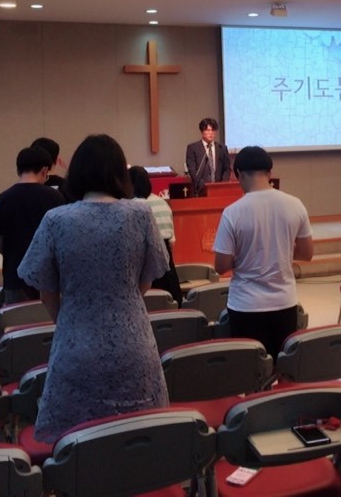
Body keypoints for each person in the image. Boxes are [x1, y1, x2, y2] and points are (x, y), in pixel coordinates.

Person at [18, 134, 170, 443]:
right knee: (138, 440)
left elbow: (45, 290)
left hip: (76, 343)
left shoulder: (56, 220)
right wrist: (123, 302)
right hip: (133, 340)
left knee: (75, 444)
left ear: (77, 171)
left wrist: (69, 319)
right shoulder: (141, 215)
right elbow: (148, 279)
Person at [212, 146, 312, 358]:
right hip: (284, 302)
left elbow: (220, 266)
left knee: (251, 368)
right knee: (283, 366)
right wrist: (280, 249)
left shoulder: (232, 212)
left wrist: (244, 256)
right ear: (269, 172)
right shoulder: (295, 205)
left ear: (239, 174)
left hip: (246, 305)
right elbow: (306, 253)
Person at [0, 146, 65, 304]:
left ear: (18, 170)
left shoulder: (1, 200)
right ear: (44, 170)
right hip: (49, 277)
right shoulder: (55, 197)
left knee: (19, 318)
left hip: (15, 277)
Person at [128, 165, 183, 303]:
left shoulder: (129, 207)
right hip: (167, 272)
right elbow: (172, 243)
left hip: (141, 273)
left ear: (130, 184)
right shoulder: (163, 204)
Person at [185, 118, 232, 196]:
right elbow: (192, 170)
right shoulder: (193, 148)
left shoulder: (222, 148)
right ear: (201, 131)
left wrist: (223, 184)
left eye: (213, 130)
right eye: (208, 130)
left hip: (219, 189)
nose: (211, 133)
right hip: (200, 190)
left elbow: (227, 168)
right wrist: (203, 185)